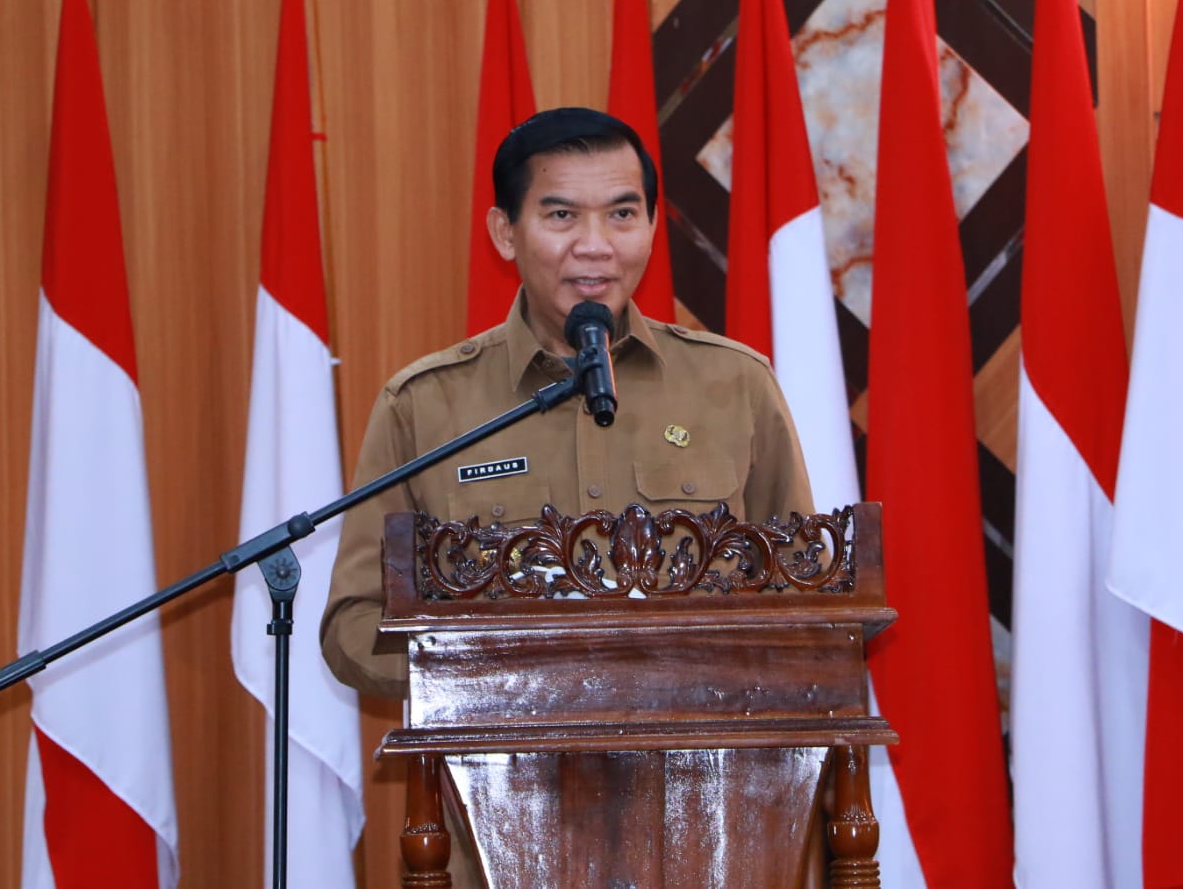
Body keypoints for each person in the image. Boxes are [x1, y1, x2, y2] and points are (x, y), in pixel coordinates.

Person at [320, 106, 814, 697]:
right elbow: (355, 624)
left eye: (623, 214)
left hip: (702, 769)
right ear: (506, 232)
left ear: (653, 225)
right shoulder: (425, 406)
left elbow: (806, 588)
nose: (596, 246)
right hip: (502, 774)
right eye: (561, 216)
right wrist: (505, 679)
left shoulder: (736, 385)